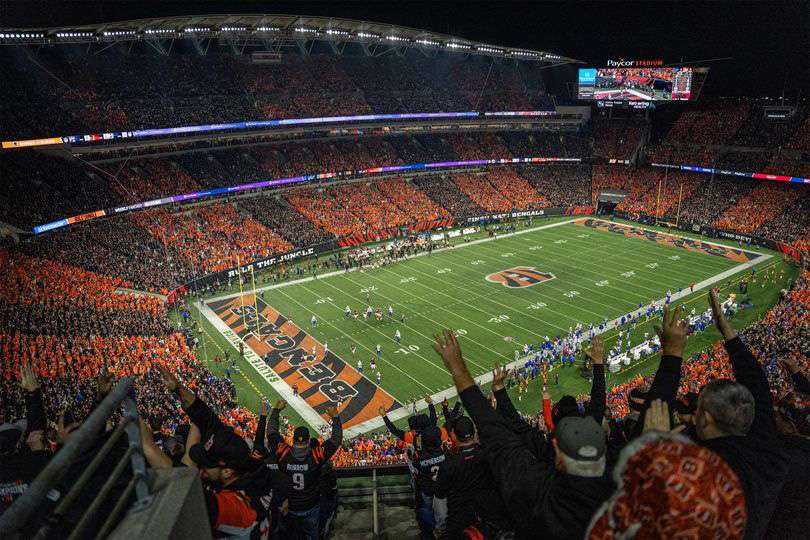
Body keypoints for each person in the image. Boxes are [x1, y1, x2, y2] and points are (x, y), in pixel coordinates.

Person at [432, 330, 614, 539]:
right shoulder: (614, 490)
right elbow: (598, 404)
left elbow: (501, 428)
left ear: (557, 448)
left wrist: (458, 368)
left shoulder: (538, 488)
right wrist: (599, 365)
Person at [267, 401, 342, 540]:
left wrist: (276, 410)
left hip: (290, 506)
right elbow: (336, 439)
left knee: (292, 536)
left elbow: (271, 433)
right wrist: (335, 417)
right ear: (308, 442)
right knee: (312, 535)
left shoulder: (284, 454)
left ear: (293, 440)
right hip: (311, 506)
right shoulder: (315, 456)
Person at [434, 416, 512, 538]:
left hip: (460, 522)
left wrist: (441, 527)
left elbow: (440, 499)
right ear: (473, 433)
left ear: (453, 435)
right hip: (491, 519)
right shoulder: (489, 455)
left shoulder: (448, 465)